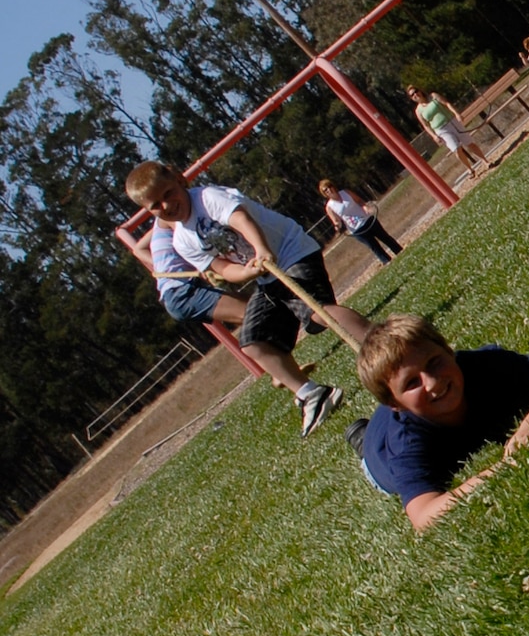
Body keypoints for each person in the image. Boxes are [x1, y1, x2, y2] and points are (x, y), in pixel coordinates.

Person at [124, 161, 369, 437]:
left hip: (290, 252)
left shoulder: (207, 198)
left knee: (316, 313)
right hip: (266, 277)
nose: (166, 206)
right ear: (149, 212)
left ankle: (378, 342)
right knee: (253, 342)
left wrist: (261, 248)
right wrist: (247, 271)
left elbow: (241, 220)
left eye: (168, 194)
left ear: (180, 180)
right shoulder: (182, 240)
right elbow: (223, 269)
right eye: (156, 205)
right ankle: (313, 394)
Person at [353, 313, 529, 532]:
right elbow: (423, 517)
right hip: (378, 452)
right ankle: (359, 438)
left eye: (433, 363)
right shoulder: (404, 444)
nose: (432, 382)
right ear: (394, 403)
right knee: (371, 453)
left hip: (400, 411)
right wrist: (502, 468)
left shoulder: (483, 364)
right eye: (412, 382)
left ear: (448, 350)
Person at [147, 221, 245, 341]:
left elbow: (138, 249)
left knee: (256, 307)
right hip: (182, 292)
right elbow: (193, 236)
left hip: (179, 291)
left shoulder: (160, 225)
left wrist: (163, 266)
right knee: (251, 312)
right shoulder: (170, 218)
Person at [406, 87, 491, 179]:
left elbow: (446, 104)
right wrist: (434, 136)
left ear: (420, 91)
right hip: (441, 130)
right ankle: (470, 169)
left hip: (451, 121)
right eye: (412, 95)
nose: (415, 95)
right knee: (456, 149)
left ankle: (485, 161)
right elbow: (426, 125)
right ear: (411, 98)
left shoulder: (433, 96)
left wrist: (456, 114)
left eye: (415, 92)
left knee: (469, 143)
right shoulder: (418, 111)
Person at [318, 180, 402, 265]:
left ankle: (400, 251)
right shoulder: (329, 207)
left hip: (367, 219)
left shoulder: (345, 193)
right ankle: (387, 262)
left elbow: (359, 200)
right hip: (357, 230)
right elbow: (336, 221)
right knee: (374, 246)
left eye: (329, 186)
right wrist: (337, 226)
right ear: (324, 193)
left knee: (385, 237)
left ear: (333, 186)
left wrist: (365, 207)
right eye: (325, 190)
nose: (329, 190)